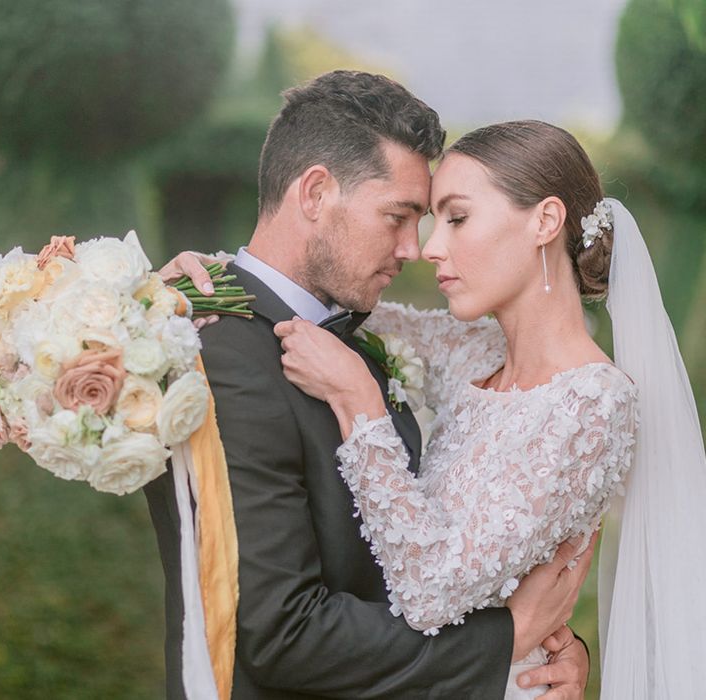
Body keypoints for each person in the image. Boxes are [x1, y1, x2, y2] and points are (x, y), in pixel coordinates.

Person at [148, 72, 592, 700]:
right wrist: (506, 643)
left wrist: (548, 655)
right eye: (398, 216)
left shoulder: (352, 330)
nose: (415, 249)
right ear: (316, 194)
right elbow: (282, 633)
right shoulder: (224, 352)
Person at [273, 120, 706, 698]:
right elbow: (332, 303)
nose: (429, 247)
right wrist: (198, 279)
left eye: (457, 218)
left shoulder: (592, 403)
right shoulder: (473, 351)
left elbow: (430, 592)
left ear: (545, 222)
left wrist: (361, 405)